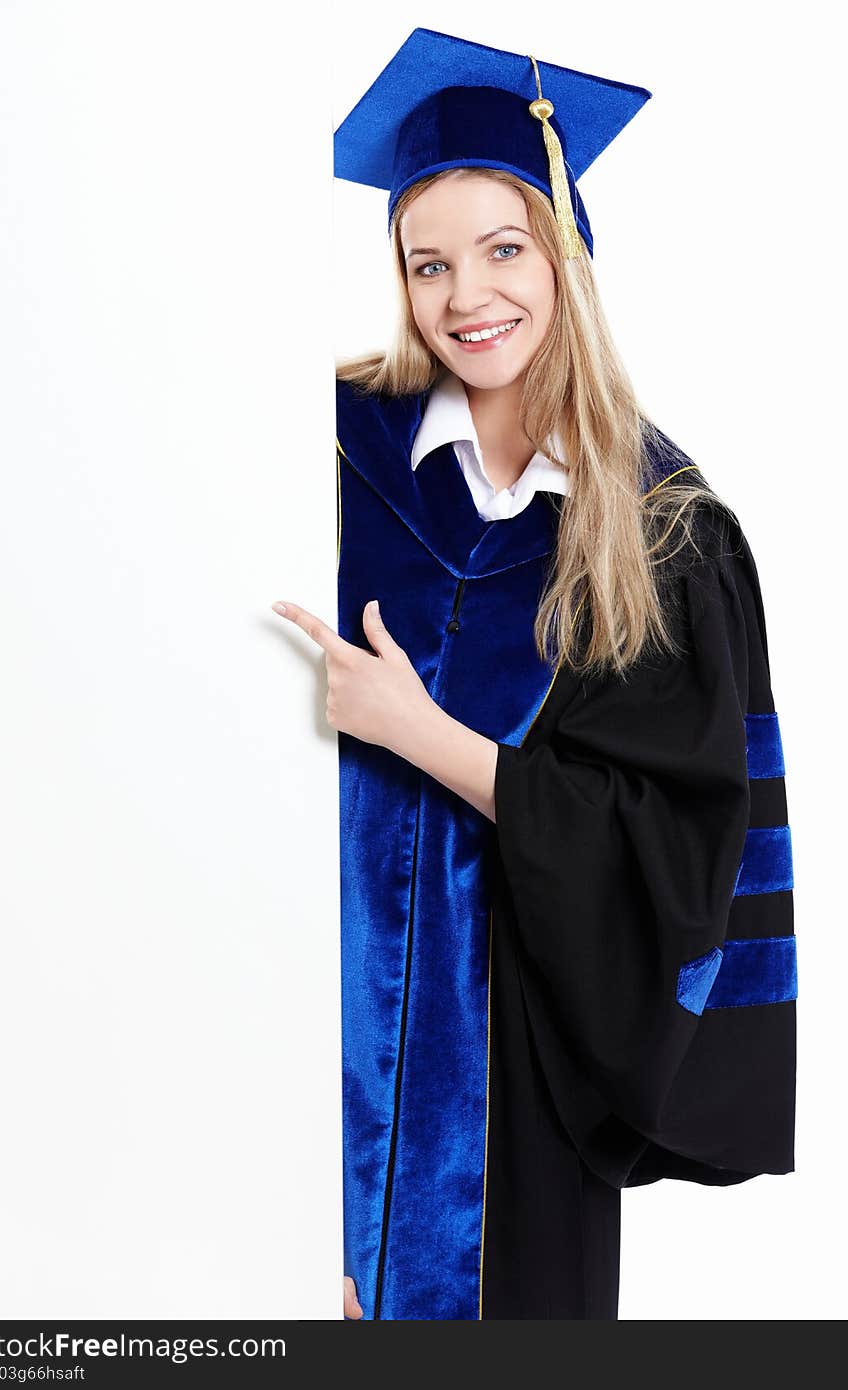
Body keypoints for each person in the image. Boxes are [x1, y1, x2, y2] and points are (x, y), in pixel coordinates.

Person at [271, 28, 797, 1321]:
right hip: (298, 1031)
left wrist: (421, 732)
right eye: (429, 262)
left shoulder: (662, 529)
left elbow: (673, 851)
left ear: (566, 252)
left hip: (520, 1097)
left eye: (504, 249)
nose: (467, 297)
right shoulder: (326, 449)